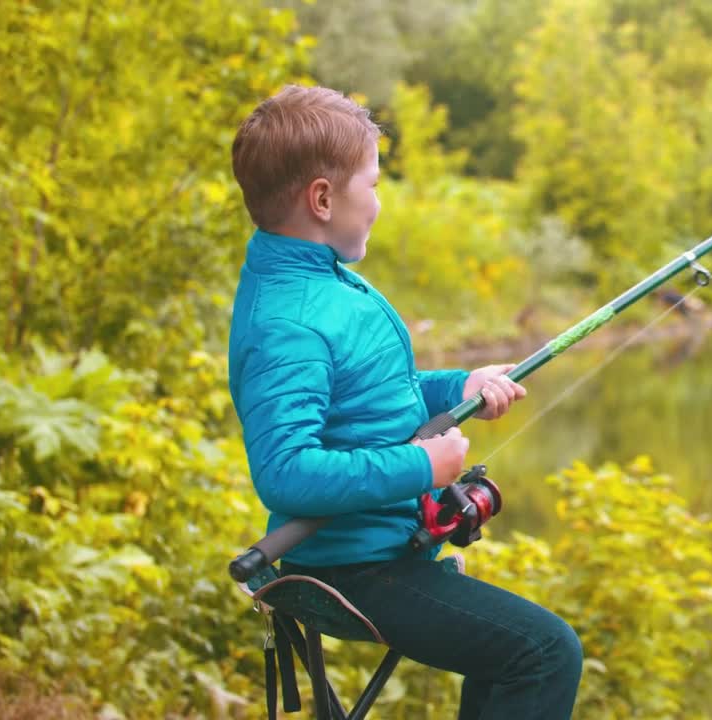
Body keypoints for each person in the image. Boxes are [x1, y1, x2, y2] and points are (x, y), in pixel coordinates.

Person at [227, 84, 582, 719]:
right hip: (351, 568)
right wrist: (425, 467)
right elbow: (286, 474)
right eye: (375, 183)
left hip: (382, 547)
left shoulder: (320, 279)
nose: (380, 202)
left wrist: (459, 388)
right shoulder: (291, 322)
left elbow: (373, 402)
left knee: (512, 658)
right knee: (545, 652)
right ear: (323, 198)